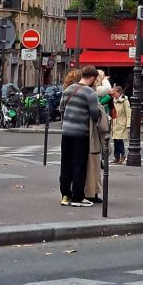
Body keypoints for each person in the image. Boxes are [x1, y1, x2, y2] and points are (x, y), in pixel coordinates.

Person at [59, 65, 100, 207]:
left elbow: (61, 108)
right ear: (93, 78)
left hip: (66, 131)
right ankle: (77, 196)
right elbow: (95, 114)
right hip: (81, 132)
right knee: (79, 164)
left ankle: (65, 195)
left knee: (66, 164)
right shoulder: (90, 93)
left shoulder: (68, 90)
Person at [111, 86, 131, 164]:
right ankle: (116, 157)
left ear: (119, 93)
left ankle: (122, 155)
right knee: (115, 140)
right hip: (114, 122)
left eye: (114, 93)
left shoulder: (124, 101)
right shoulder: (112, 100)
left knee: (119, 140)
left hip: (121, 123)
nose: (113, 94)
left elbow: (128, 112)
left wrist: (128, 124)